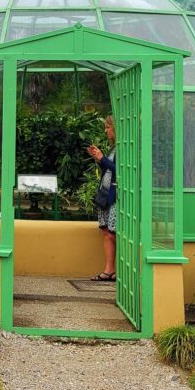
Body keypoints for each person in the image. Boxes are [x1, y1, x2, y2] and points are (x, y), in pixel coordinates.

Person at [87, 115, 117, 282]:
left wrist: (102, 159)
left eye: (108, 127)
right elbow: (109, 169)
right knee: (106, 232)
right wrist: (99, 158)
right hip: (105, 195)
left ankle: (113, 271)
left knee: (113, 233)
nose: (106, 131)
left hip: (114, 197)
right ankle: (109, 270)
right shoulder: (114, 149)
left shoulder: (124, 149)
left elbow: (120, 170)